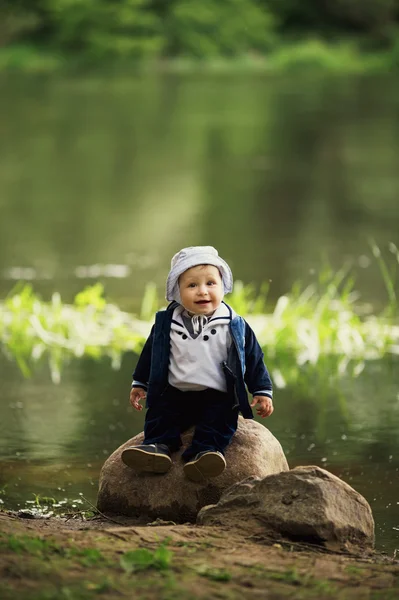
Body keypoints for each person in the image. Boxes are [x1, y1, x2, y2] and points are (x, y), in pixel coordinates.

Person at [121, 246, 273, 482]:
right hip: (175, 390)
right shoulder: (167, 323)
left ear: (223, 286)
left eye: (210, 283)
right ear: (177, 292)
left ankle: (205, 454)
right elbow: (151, 353)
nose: (202, 291)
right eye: (192, 285)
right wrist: (140, 382)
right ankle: (156, 447)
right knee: (160, 414)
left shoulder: (233, 324)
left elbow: (253, 357)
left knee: (220, 419)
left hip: (217, 392)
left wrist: (262, 390)